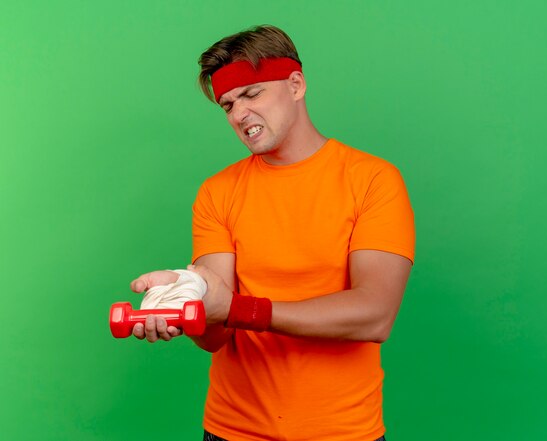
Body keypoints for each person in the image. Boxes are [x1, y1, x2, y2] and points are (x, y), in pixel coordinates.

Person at [130, 25, 415, 441]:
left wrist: (238, 309)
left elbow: (374, 314)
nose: (239, 114)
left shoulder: (372, 181)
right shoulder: (218, 192)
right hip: (233, 430)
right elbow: (216, 329)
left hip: (342, 432)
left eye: (251, 94)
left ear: (296, 85)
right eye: (227, 104)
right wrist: (183, 299)